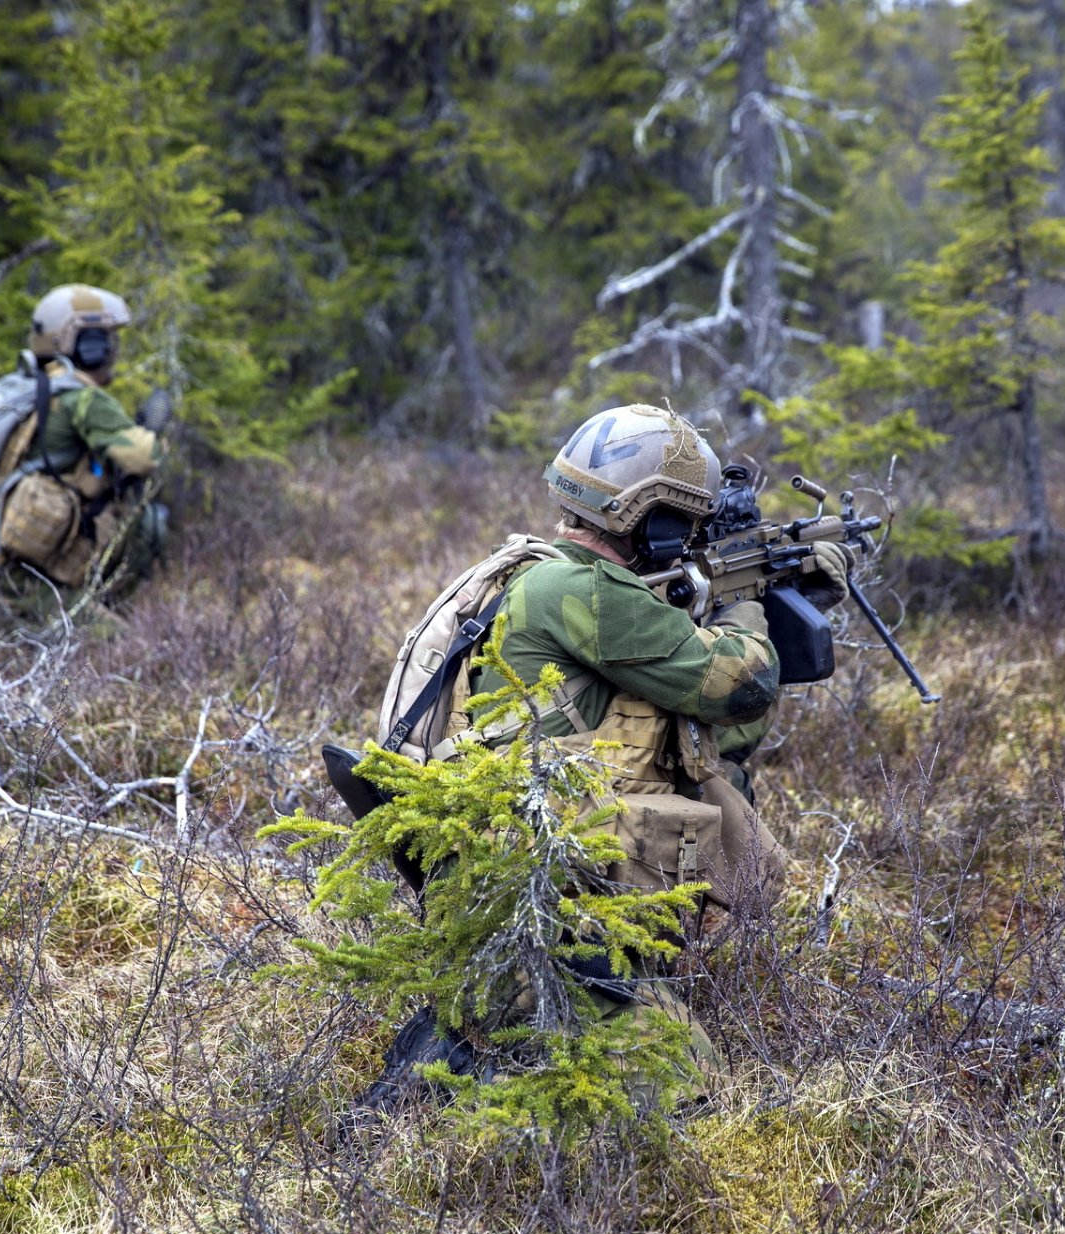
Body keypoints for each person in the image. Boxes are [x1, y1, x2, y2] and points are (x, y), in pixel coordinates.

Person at [362, 403, 851, 1107]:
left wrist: (782, 604)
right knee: (681, 1089)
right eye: (685, 522)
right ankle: (460, 1070)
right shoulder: (583, 591)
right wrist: (747, 605)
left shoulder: (545, 574)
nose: (690, 540)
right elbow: (741, 683)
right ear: (651, 520)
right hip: (536, 914)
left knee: (660, 1063)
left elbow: (714, 745)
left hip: (547, 902)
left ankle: (485, 1040)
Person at [0, 284, 166, 615]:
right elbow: (144, 457)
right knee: (117, 641)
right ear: (82, 345)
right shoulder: (80, 397)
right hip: (11, 579)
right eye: (103, 341)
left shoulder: (28, 388)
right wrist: (154, 429)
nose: (112, 351)